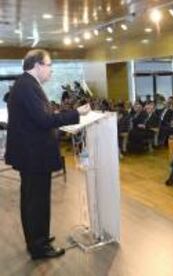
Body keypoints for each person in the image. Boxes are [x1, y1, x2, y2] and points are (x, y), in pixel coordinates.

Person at [5, 49, 90, 260]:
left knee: (33, 199)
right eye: (49, 65)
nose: (51, 70)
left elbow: (40, 117)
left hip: (31, 155)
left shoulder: (27, 84)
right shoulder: (27, 86)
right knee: (36, 201)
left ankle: (37, 238)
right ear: (37, 65)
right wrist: (76, 113)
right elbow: (44, 120)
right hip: (34, 156)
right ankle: (39, 246)